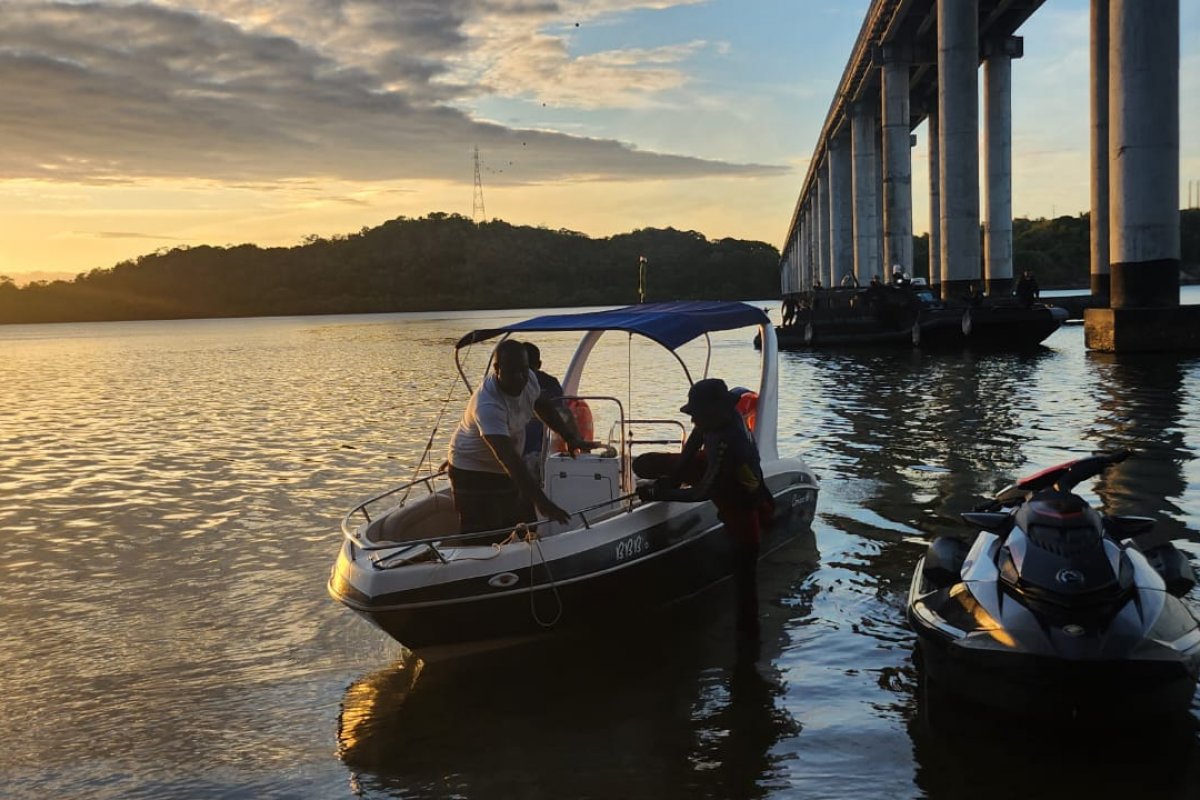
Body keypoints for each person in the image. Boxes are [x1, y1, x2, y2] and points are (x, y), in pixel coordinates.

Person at [633, 378, 775, 647]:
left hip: (741, 497)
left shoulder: (729, 444)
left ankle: (748, 644)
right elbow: (696, 439)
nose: (694, 421)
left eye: (698, 415)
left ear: (715, 411)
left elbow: (702, 492)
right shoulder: (716, 417)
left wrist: (659, 493)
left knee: (745, 578)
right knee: (645, 464)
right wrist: (674, 477)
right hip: (720, 473)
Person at [446, 339, 590, 537]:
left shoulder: (528, 378)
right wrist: (543, 502)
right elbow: (509, 459)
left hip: (504, 469)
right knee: (482, 532)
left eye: (524, 370)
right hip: (471, 469)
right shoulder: (488, 405)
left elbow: (543, 406)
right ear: (497, 368)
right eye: (513, 372)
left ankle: (524, 558)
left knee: (520, 521)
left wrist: (569, 437)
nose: (520, 378)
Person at [518, 342, 565, 521]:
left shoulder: (549, 385)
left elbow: (559, 416)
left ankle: (527, 526)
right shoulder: (504, 387)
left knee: (528, 469)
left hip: (539, 451)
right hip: (513, 450)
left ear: (538, 366)